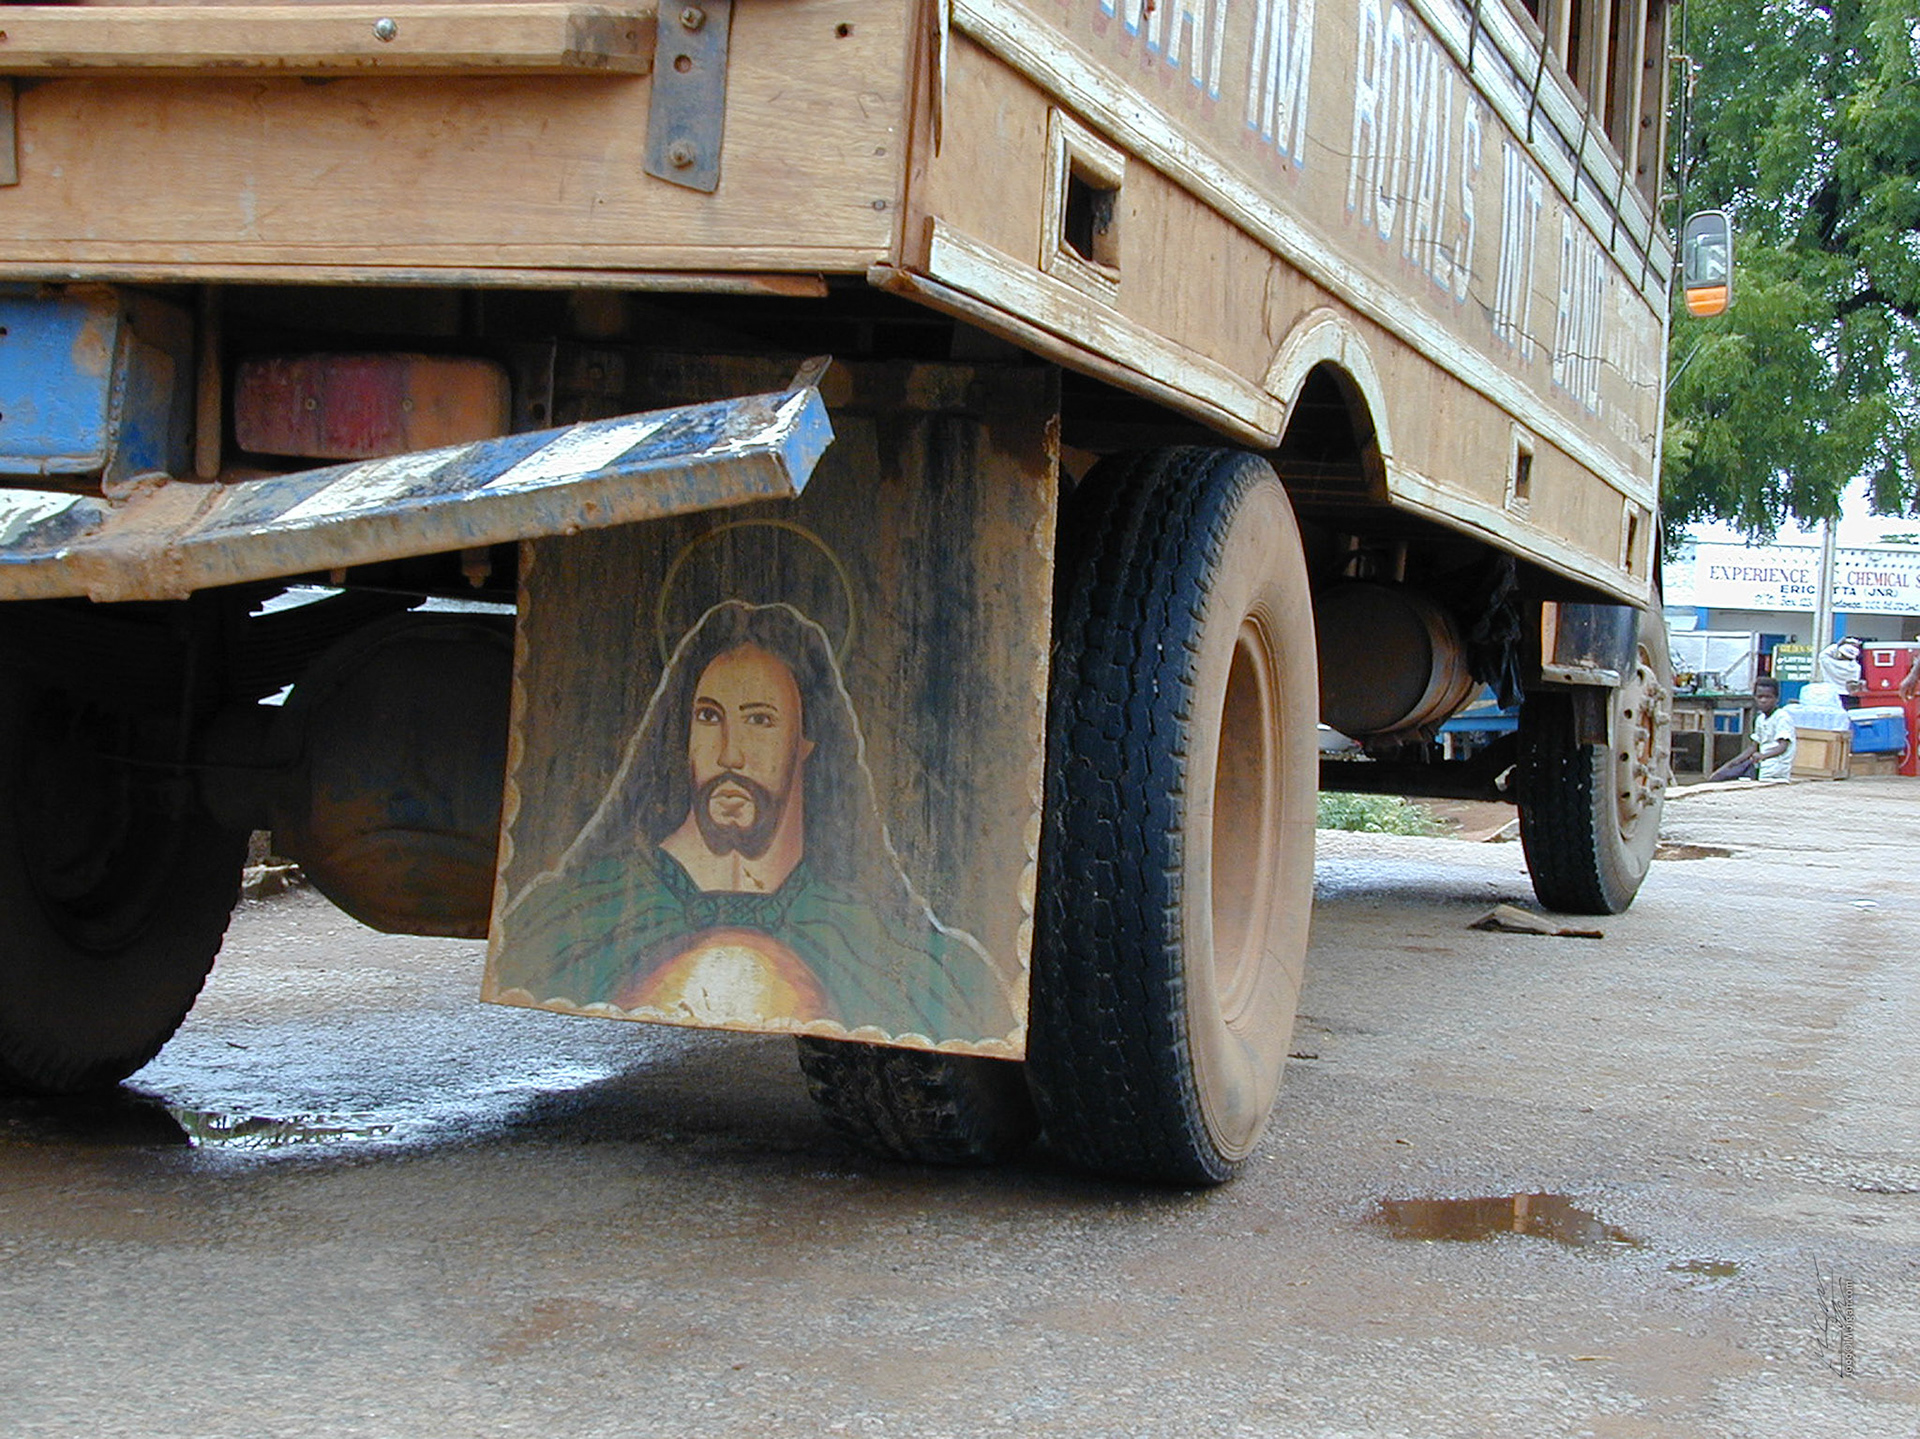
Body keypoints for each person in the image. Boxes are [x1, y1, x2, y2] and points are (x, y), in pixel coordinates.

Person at [494, 599, 1017, 1043]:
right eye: (709, 717)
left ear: (805, 743)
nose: (729, 755)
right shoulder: (578, 912)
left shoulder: (876, 941)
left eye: (760, 721)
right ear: (683, 737)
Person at [1707, 675, 1796, 781]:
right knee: (1720, 777)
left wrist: (1763, 756)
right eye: (1760, 697)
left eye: (1768, 697)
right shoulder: (1760, 719)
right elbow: (1754, 747)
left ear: (1776, 699)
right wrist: (1731, 764)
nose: (1763, 700)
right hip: (1761, 764)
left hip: (1776, 768)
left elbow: (1783, 746)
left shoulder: (1782, 717)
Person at [1814, 636, 1865, 703]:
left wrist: (1839, 644)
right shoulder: (1856, 668)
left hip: (1831, 694)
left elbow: (1823, 654)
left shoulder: (1829, 662)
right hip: (1848, 696)